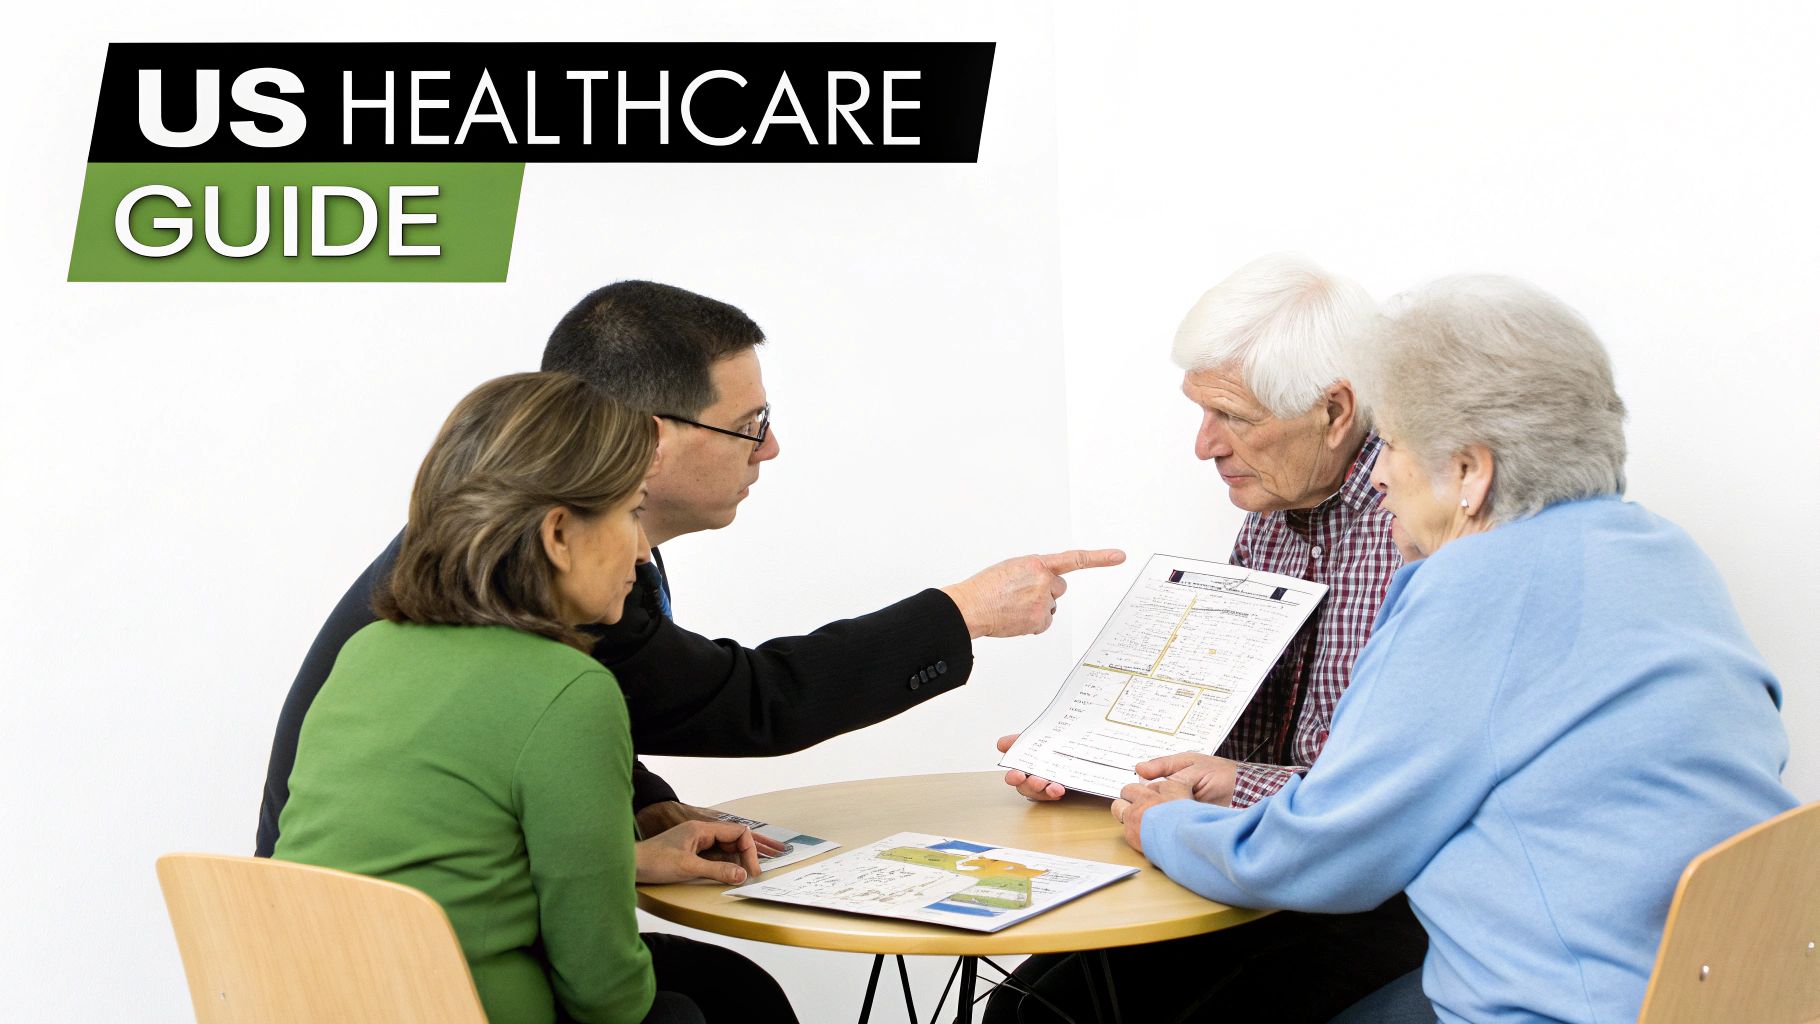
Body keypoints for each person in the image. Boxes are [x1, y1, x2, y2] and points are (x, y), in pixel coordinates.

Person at [1111, 275, 1797, 1024]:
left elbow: (1316, 856)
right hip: (1733, 986)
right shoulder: (1666, 552)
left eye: (1392, 445)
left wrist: (1164, 822)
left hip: (1561, 1003)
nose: (1378, 474)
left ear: (1470, 472)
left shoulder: (1475, 584)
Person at [257, 280, 1122, 856]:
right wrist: (963, 612)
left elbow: (555, 721)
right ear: (648, 438)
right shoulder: (527, 585)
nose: (769, 449)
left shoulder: (476, 549)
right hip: (406, 964)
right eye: (750, 425)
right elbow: (745, 701)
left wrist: (641, 800)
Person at [274, 372, 795, 1024]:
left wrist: (622, 861)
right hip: (460, 1009)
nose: (642, 553)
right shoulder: (569, 690)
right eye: (633, 512)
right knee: (693, 1010)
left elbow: (437, 863)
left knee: (729, 991)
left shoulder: (368, 652)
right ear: (557, 536)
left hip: (313, 1001)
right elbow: (606, 995)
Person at [986, 255, 1425, 1023]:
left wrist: (1230, 786)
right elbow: (1229, 731)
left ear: (1335, 411)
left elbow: (1401, 803)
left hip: (1379, 888)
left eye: (1234, 418)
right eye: (1201, 412)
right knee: (1029, 1009)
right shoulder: (1271, 518)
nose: (1204, 446)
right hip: (1247, 857)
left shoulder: (1425, 526)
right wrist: (1099, 758)